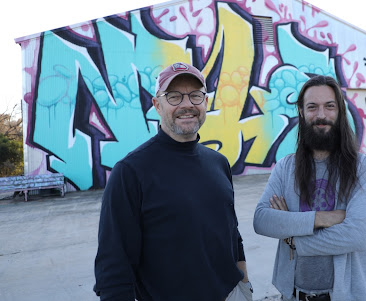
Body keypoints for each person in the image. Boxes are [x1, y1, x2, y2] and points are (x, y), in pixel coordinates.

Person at [94, 62, 252, 300]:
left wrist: (244, 284)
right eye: (174, 96)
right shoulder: (130, 172)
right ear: (157, 105)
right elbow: (114, 264)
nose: (187, 104)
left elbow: (232, 232)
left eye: (195, 96)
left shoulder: (218, 163)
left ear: (205, 103)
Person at [253, 75, 366, 301]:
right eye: (312, 107)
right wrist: (321, 218)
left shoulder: (362, 167)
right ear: (301, 111)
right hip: (293, 295)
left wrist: (292, 236)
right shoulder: (285, 168)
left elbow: (358, 235)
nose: (321, 115)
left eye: (329, 106)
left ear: (340, 110)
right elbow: (262, 220)